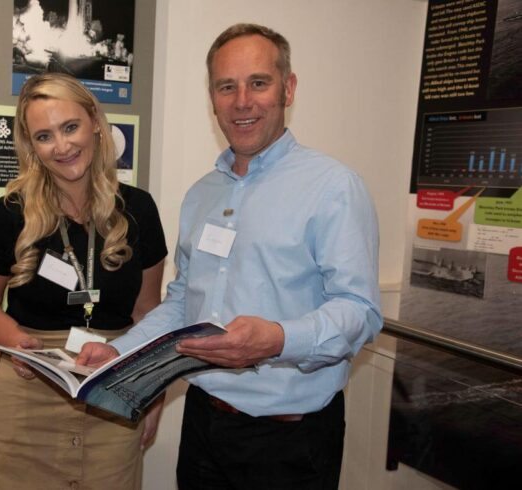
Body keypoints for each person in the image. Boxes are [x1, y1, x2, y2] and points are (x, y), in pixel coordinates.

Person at [79, 23, 382, 489]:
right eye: (227, 86)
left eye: (258, 83)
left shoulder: (333, 187)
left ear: (289, 88)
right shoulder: (203, 194)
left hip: (291, 438)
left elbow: (360, 311)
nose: (242, 101)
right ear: (213, 98)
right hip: (204, 425)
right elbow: (183, 301)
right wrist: (118, 352)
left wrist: (278, 339)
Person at [0, 73, 168, 489]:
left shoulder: (139, 209)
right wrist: (15, 341)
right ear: (31, 147)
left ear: (94, 121)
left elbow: (148, 313)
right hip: (26, 386)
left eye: (70, 127)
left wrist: (154, 393)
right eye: (44, 136)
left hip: (113, 385)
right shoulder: (10, 214)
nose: (62, 146)